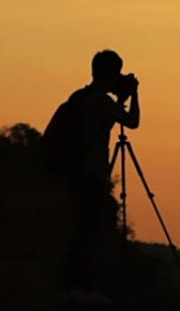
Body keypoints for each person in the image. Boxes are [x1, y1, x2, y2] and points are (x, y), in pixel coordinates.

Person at [64, 49, 140, 298]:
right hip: (91, 175)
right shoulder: (101, 101)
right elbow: (132, 121)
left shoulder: (79, 96)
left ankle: (77, 285)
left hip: (71, 172)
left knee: (80, 229)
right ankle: (86, 287)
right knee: (94, 230)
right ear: (111, 73)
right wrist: (133, 95)